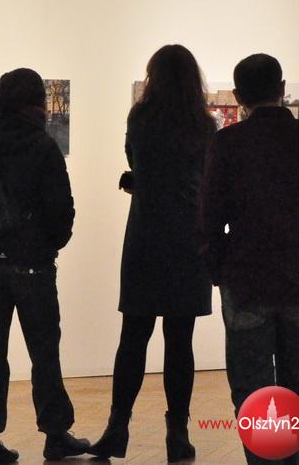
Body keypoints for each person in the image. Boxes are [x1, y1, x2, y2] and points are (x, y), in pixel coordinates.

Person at [200, 54, 299, 464]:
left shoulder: (227, 144)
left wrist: (220, 273)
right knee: (298, 391)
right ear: (282, 89)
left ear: (238, 96)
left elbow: (208, 220)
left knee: (252, 393)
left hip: (246, 283)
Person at [0, 68, 89, 464]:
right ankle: (55, 434)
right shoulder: (43, 147)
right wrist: (47, 245)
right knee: (44, 351)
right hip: (34, 267)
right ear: (36, 103)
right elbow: (61, 211)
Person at [89, 45, 216, 463]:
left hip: (146, 234)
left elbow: (138, 163)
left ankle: (117, 428)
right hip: (188, 238)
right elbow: (203, 177)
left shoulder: (141, 118)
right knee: (180, 340)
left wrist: (137, 181)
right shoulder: (204, 124)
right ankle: (177, 433)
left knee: (133, 336)